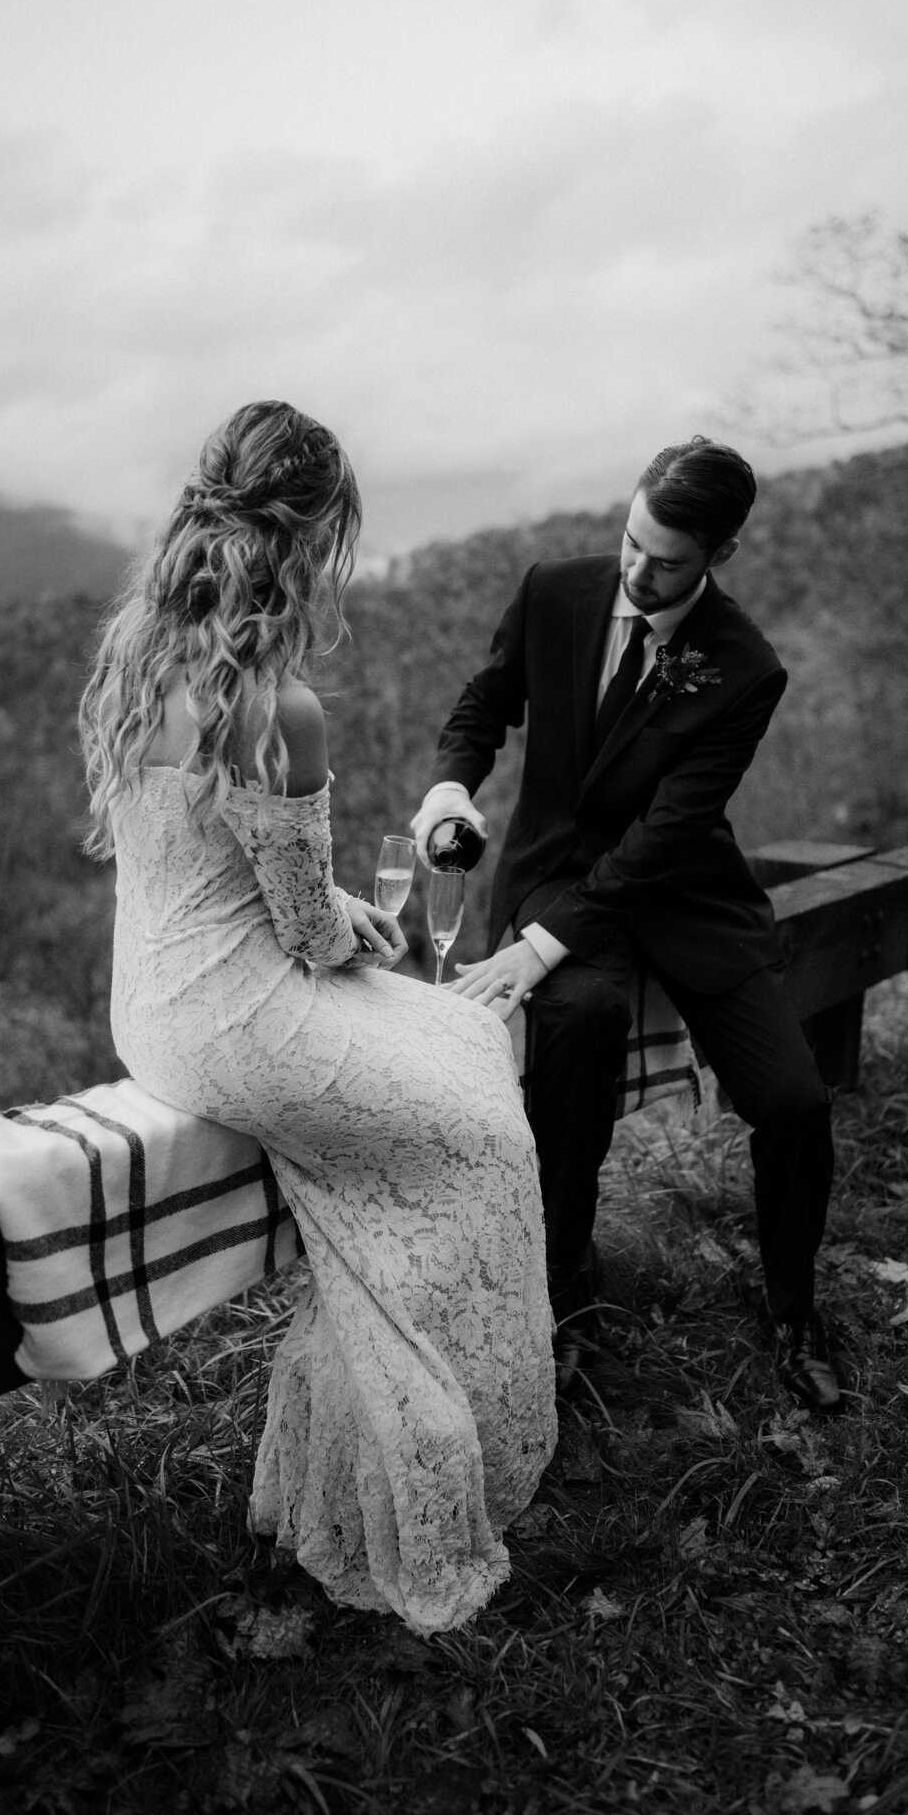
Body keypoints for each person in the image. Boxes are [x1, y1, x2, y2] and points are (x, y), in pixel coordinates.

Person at [78, 400, 556, 1636]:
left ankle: (341, 1451)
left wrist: (342, 919)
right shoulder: (277, 705)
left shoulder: (138, 652)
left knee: (452, 1039)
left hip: (152, 1001)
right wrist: (362, 930)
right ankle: (426, 1462)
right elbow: (300, 928)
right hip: (241, 1015)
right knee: (484, 1135)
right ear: (311, 541)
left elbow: (226, 872)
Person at [411, 436, 841, 1410]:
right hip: (555, 871)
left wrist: (538, 947)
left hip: (680, 889)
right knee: (574, 1023)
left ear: (719, 555)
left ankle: (792, 1305)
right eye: (635, 540)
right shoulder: (555, 589)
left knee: (796, 1100)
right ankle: (562, 1283)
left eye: (670, 562)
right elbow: (486, 702)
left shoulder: (744, 667)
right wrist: (449, 784)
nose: (640, 572)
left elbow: (665, 835)